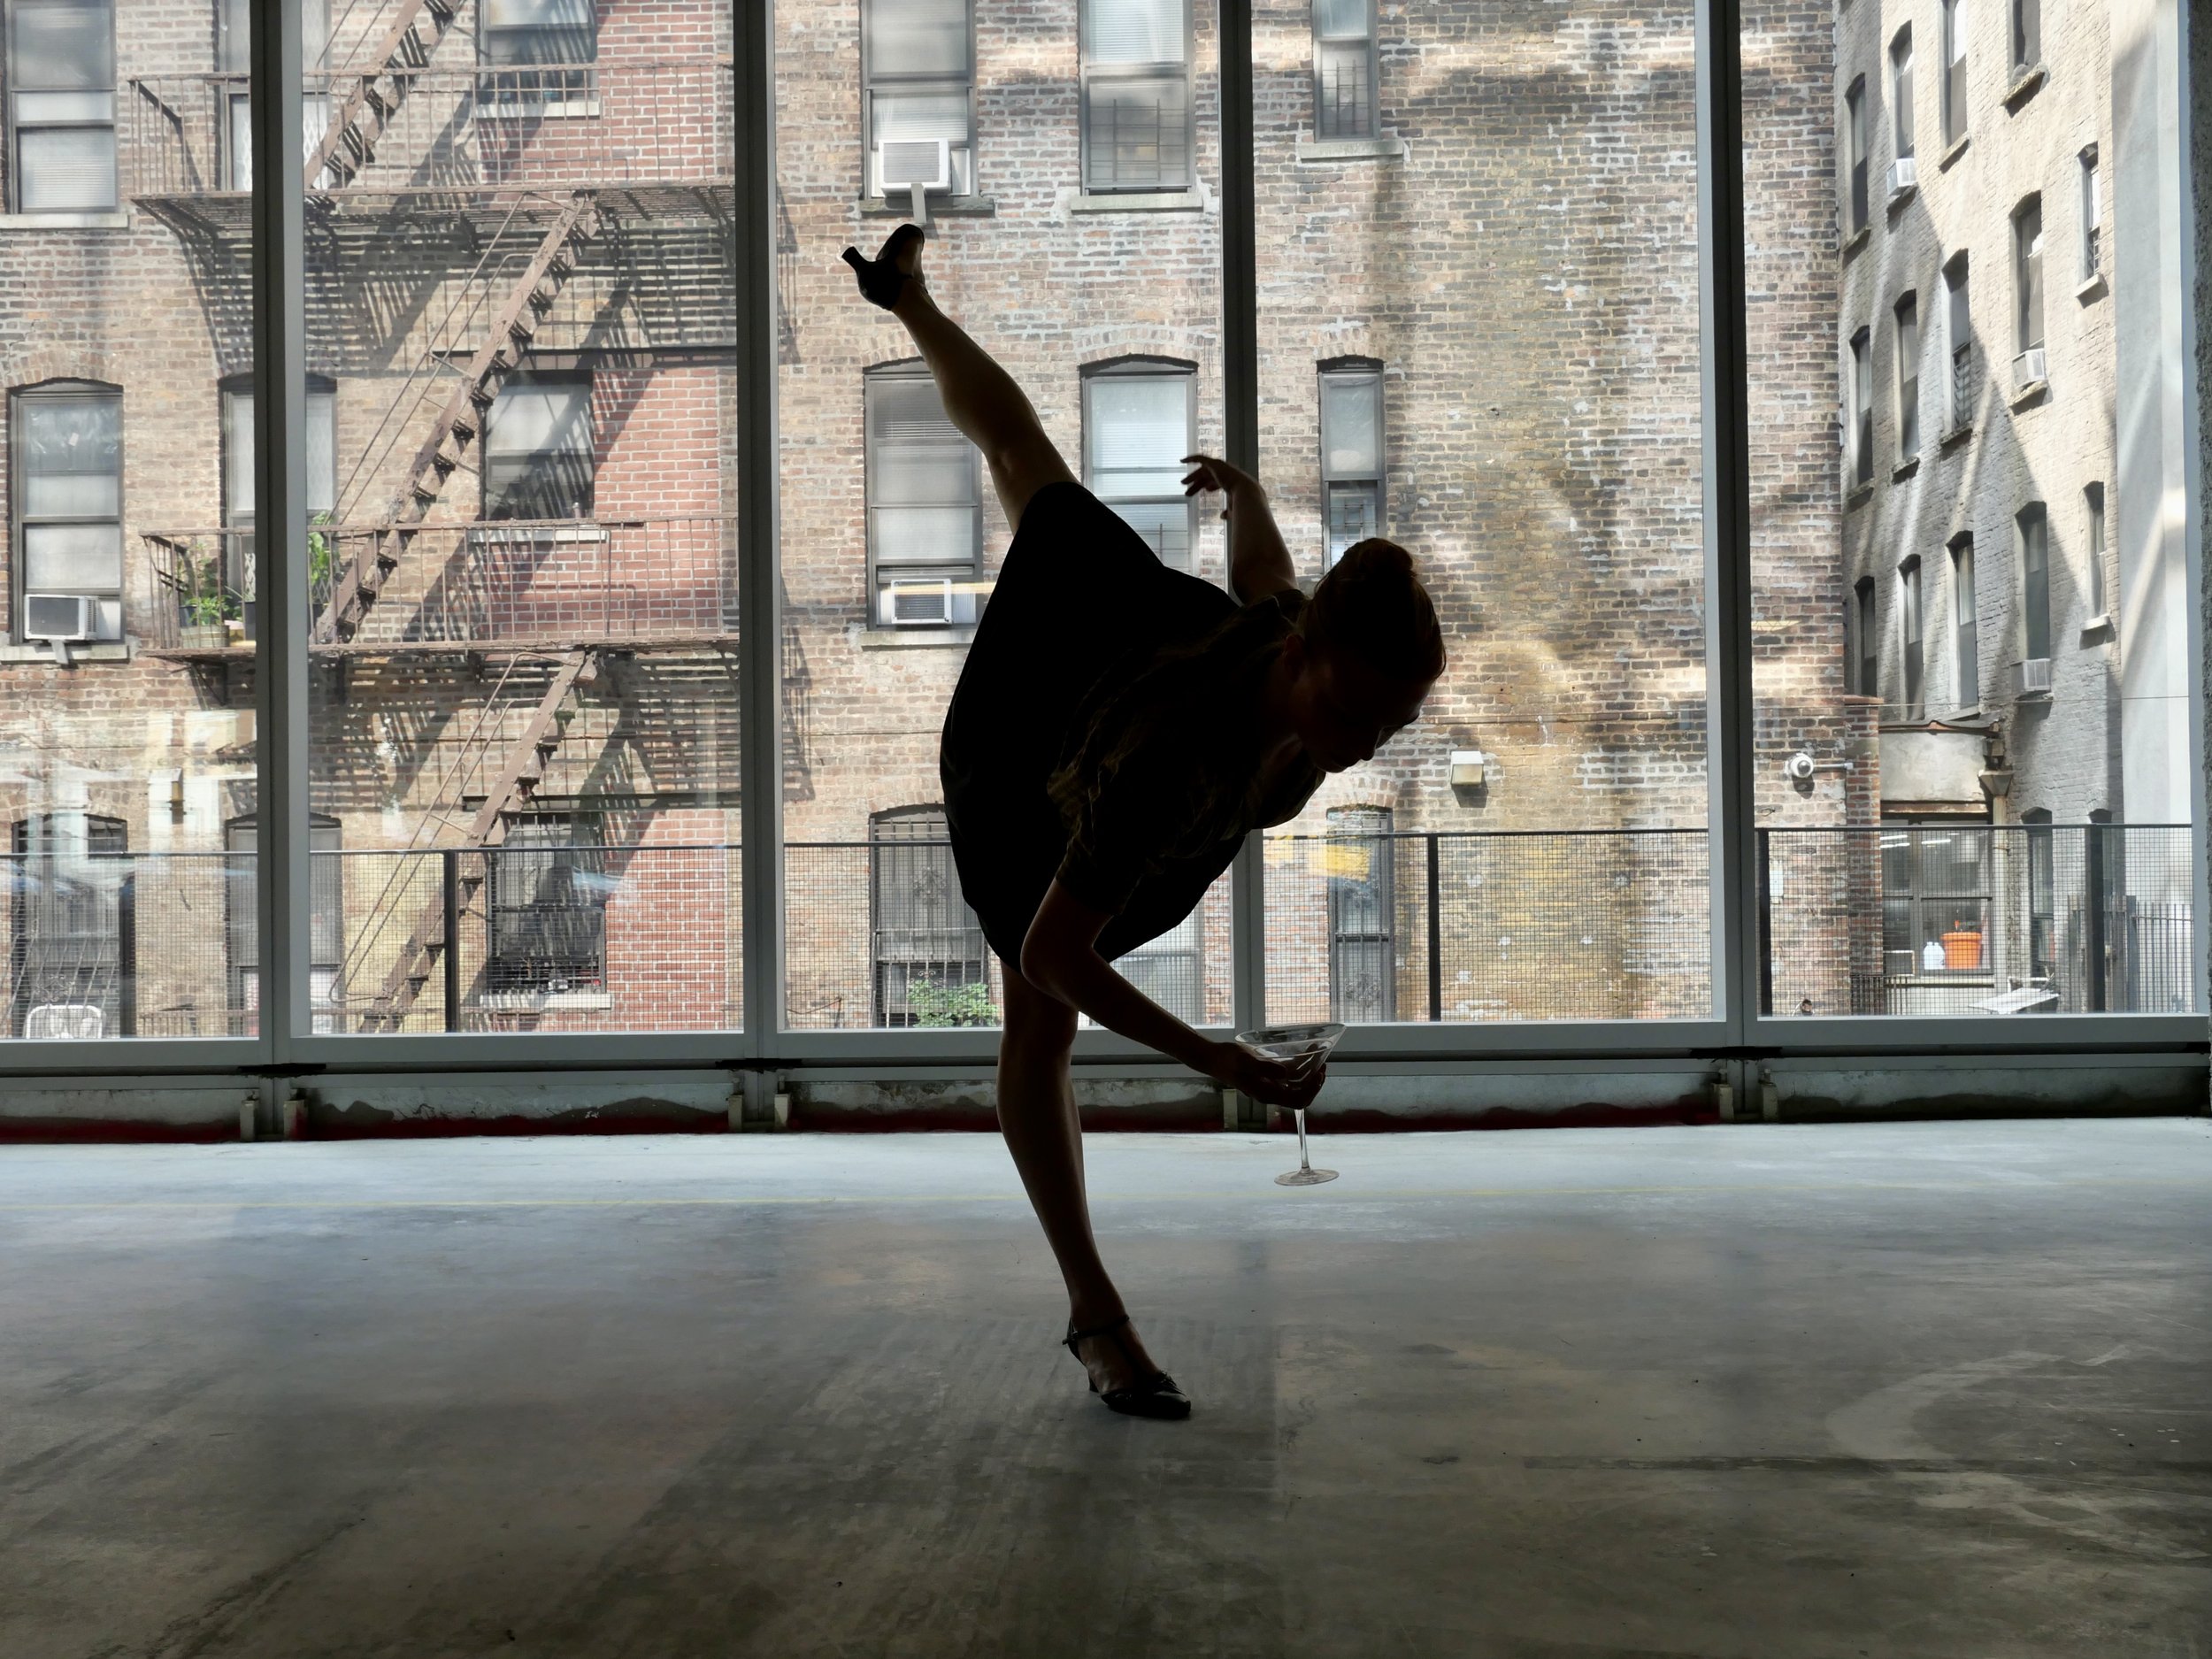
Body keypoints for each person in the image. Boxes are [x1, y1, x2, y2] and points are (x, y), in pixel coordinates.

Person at [842, 225, 1445, 1419]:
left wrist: (1249, 492)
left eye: (1388, 730)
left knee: (1031, 469)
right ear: (1309, 658)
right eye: (1358, 714)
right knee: (1042, 1021)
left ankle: (903, 297)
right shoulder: (1180, 760)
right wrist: (1221, 1063)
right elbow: (1057, 950)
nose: (1364, 749)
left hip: (1138, 652)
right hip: (1027, 761)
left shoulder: (1293, 648)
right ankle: (1094, 1312)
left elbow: (1268, 571)